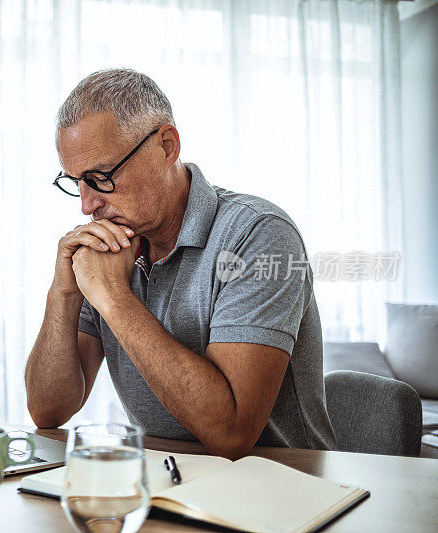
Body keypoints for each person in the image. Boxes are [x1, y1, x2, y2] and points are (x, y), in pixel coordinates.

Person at [24, 69, 336, 459]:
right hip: (165, 478)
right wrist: (64, 291)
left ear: (166, 145)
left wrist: (114, 299)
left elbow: (231, 432)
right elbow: (47, 410)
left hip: (283, 489)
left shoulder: (259, 234)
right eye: (75, 182)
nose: (87, 206)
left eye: (101, 177)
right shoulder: (109, 249)